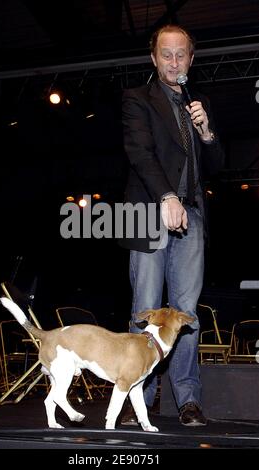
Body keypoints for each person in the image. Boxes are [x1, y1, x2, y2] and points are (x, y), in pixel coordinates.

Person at [119, 24, 225, 426]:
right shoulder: (137, 99)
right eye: (167, 54)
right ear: (154, 57)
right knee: (144, 309)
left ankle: (188, 399)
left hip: (192, 217)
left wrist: (207, 132)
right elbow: (140, 153)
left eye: (181, 54)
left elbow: (217, 167)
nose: (174, 61)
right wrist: (167, 197)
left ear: (191, 60)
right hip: (149, 212)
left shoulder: (201, 104)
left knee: (186, 314)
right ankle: (137, 398)